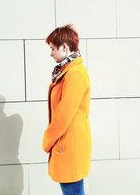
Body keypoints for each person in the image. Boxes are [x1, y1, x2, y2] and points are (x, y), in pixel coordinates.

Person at [42, 24, 92, 195]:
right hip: (68, 143)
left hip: (70, 144)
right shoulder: (67, 72)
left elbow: (63, 115)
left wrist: (47, 140)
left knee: (73, 192)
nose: (51, 53)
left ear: (65, 47)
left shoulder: (74, 74)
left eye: (53, 48)